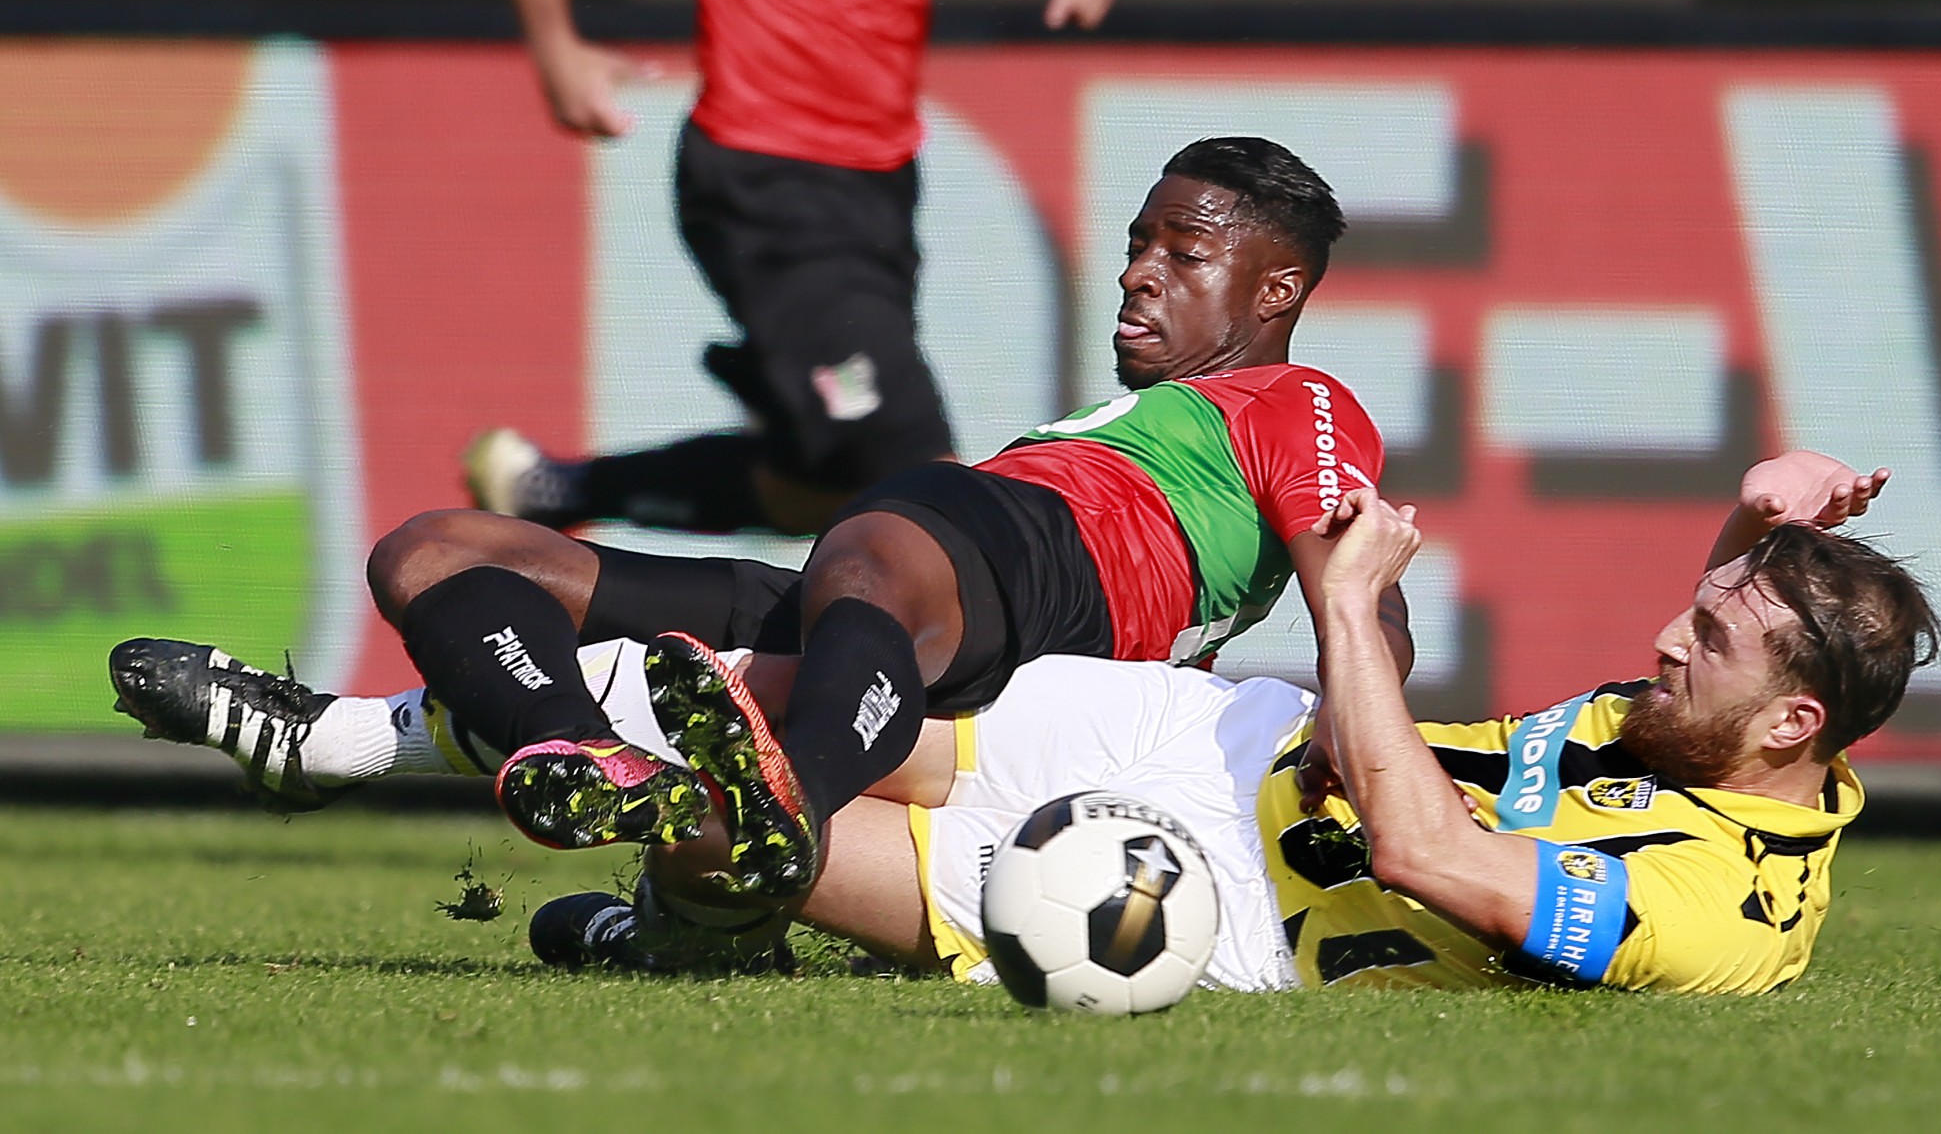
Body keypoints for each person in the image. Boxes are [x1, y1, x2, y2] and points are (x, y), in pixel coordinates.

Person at [113, 138, 1409, 908]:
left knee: (887, 530)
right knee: (440, 552)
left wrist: (1359, 750)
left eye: (1182, 252)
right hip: (919, 603)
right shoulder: (1133, 421)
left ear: (1275, 285)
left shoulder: (1299, 398)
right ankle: (572, 762)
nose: (1138, 268)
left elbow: (1370, 604)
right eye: (1137, 242)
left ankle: (783, 812)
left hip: (1034, 590)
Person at [109, 451, 1938, 995]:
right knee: (775, 702)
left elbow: (1421, 853)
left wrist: (1342, 597)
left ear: (1786, 723)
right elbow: (1723, 664)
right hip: (1201, 741)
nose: (1655, 639)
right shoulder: (1736, 731)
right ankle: (362, 747)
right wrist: (1755, 525)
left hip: (1221, 905)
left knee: (783, 822)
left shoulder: (1708, 915)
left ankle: (696, 895)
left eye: (1705, 630)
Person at [466, 0, 1113, 538]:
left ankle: (558, 491)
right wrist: (554, 46)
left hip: (881, 181)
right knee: (924, 478)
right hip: (762, 179)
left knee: (824, 487)